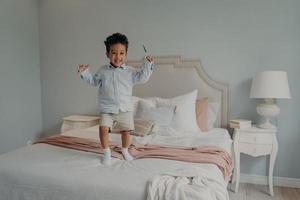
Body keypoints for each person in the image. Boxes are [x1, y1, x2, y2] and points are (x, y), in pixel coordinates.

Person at [78, 33, 154, 165]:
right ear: (107, 54)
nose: (117, 57)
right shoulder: (103, 71)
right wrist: (85, 73)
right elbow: (94, 81)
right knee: (103, 129)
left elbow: (143, 77)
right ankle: (106, 152)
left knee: (126, 132)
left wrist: (147, 64)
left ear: (126, 54)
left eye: (121, 53)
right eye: (113, 53)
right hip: (107, 109)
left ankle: (125, 150)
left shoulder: (130, 72)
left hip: (124, 109)